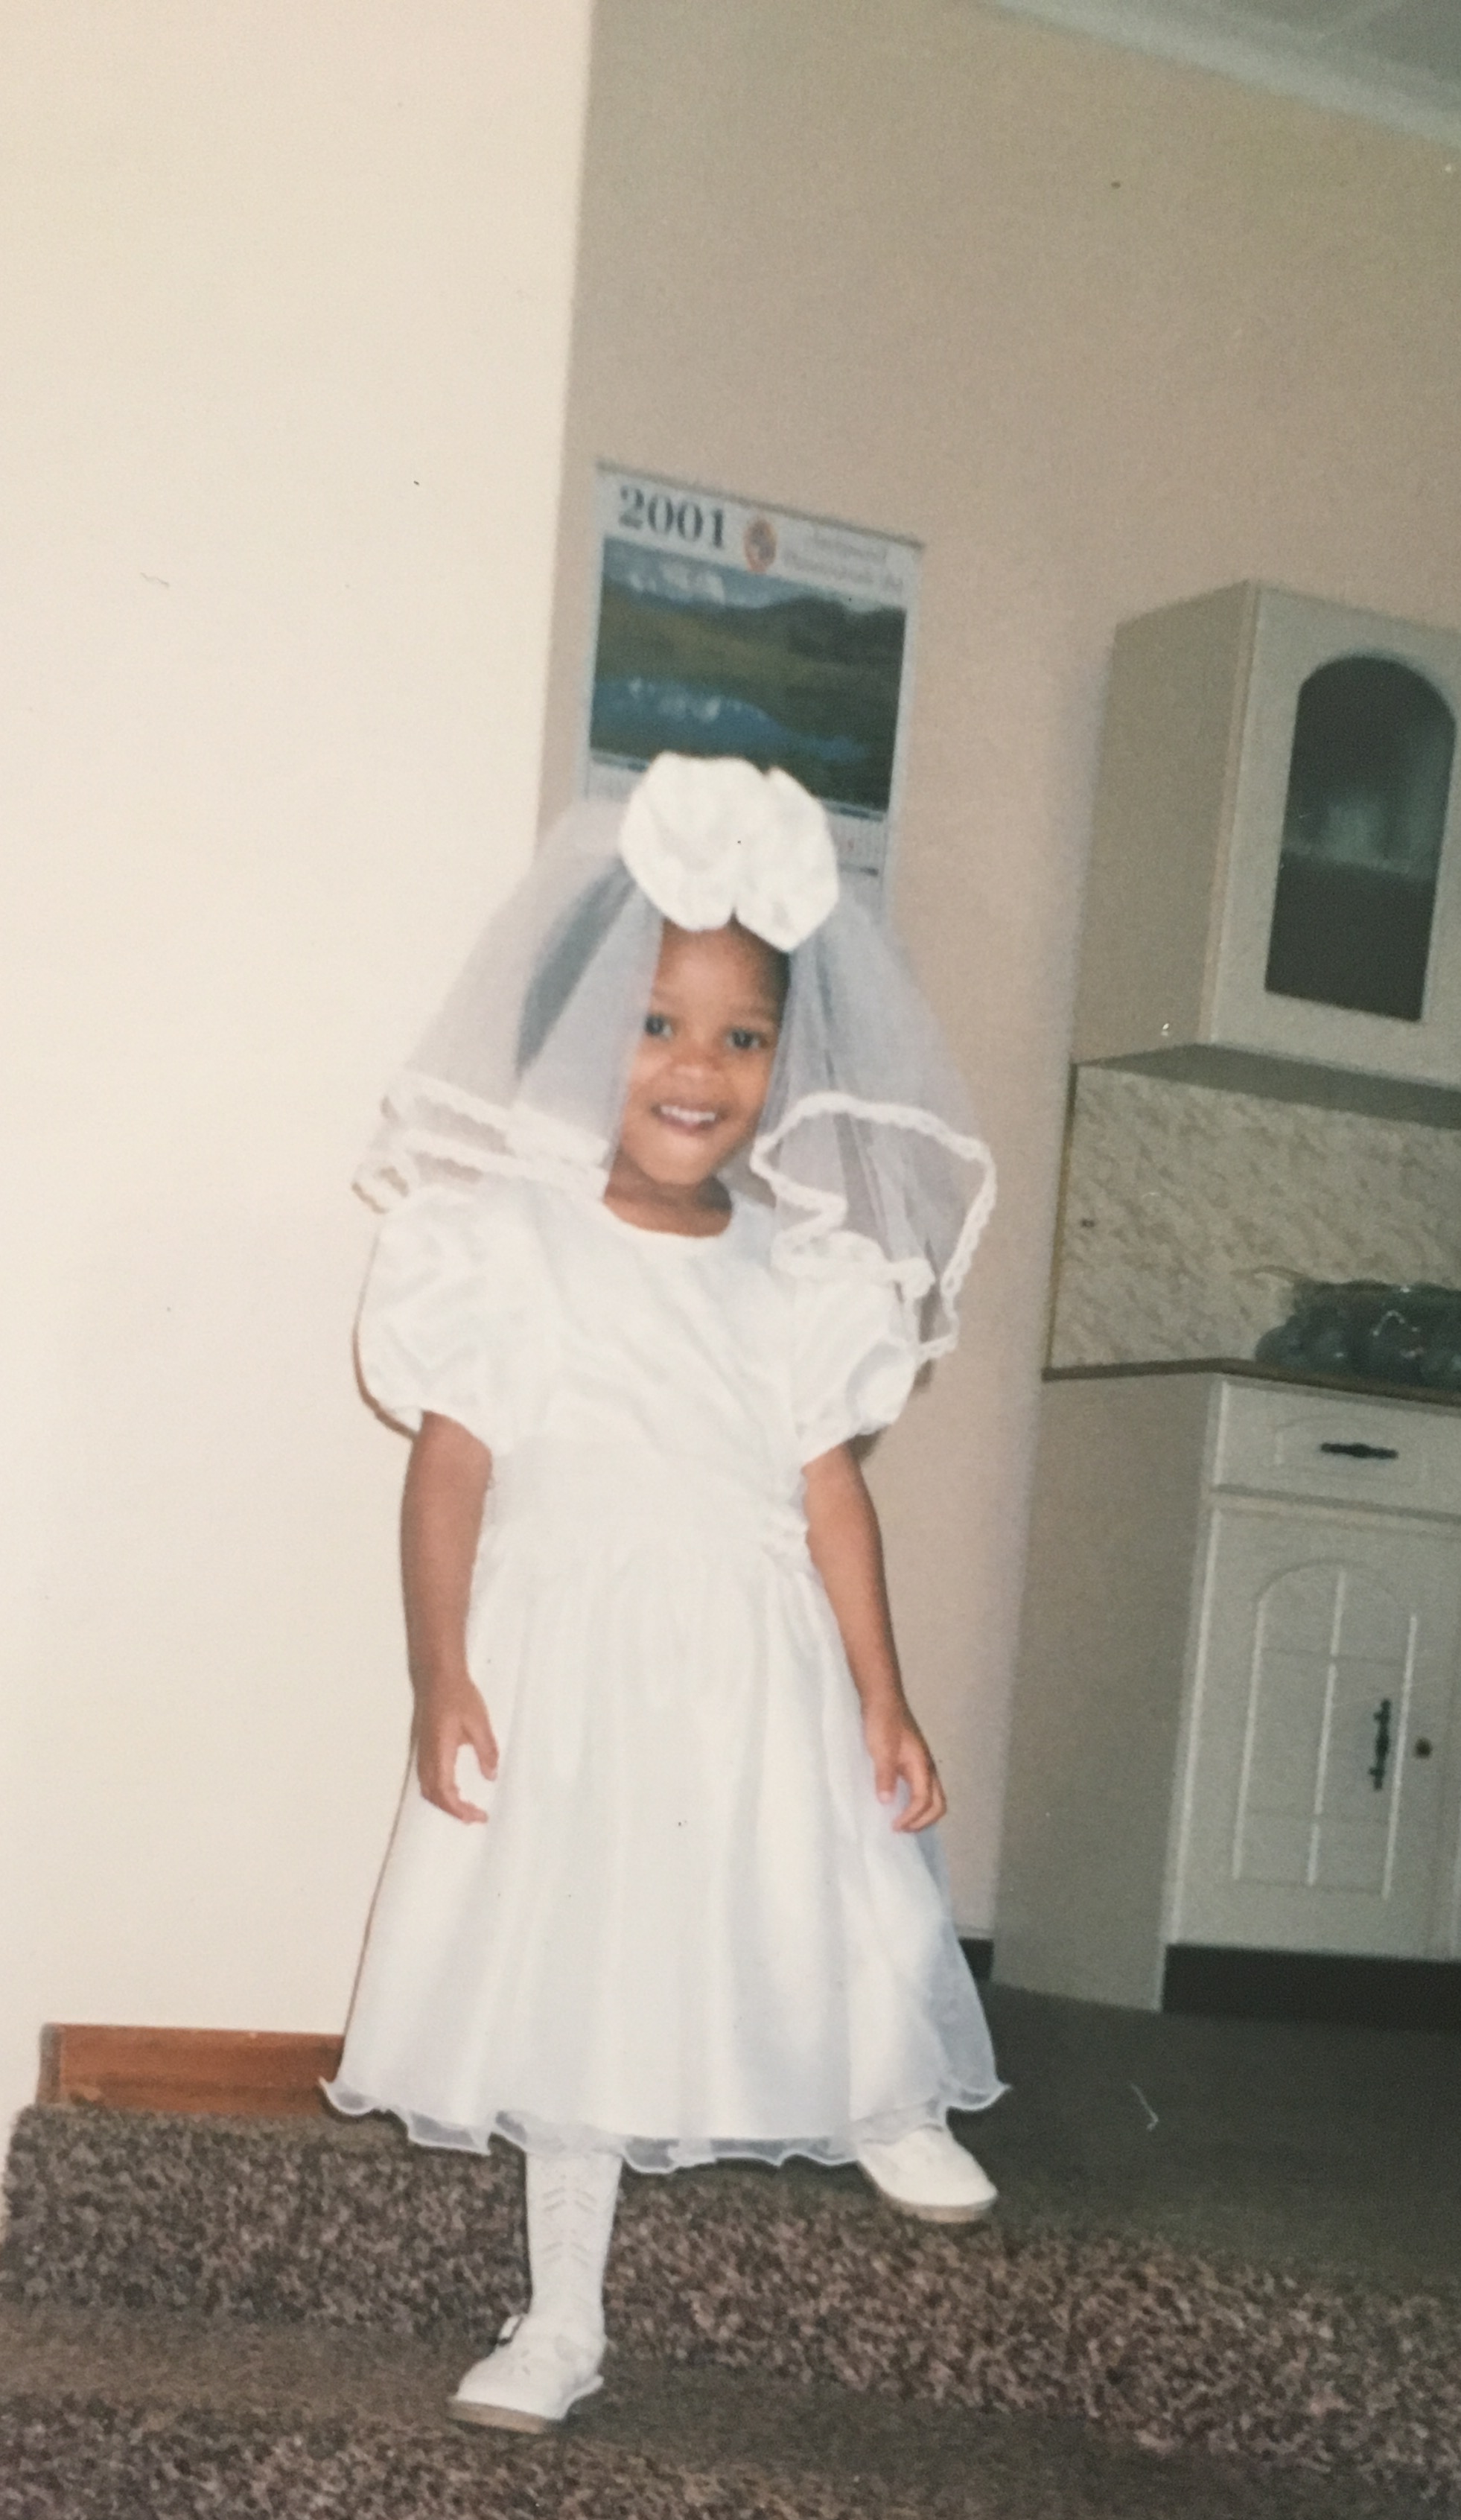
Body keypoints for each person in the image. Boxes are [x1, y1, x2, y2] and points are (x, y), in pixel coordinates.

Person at [327, 751, 1002, 2432]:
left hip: (752, 1654)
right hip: (572, 1663)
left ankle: (885, 2096)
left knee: (824, 1878)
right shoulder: (508, 1241)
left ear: (785, 1064)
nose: (698, 1069)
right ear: (576, 1037)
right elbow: (450, 1470)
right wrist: (440, 1671)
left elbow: (830, 1491)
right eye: (655, 1024)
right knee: (583, 1981)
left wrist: (885, 1694)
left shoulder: (797, 1270)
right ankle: (563, 2314)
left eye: (742, 1038)